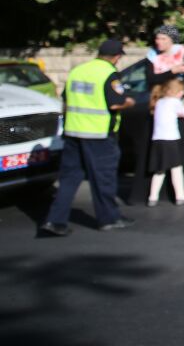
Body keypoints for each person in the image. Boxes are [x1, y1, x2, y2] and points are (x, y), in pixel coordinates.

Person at [40, 40, 137, 235]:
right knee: (103, 178)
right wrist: (129, 102)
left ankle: (55, 221)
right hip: (98, 134)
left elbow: (66, 98)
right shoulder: (109, 73)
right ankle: (109, 218)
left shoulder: (78, 70)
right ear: (117, 57)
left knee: (68, 179)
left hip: (73, 132)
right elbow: (115, 104)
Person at [145, 25, 184, 198]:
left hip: (177, 104)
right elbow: (151, 78)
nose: (159, 42)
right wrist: (174, 71)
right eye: (157, 38)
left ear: (172, 40)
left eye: (163, 39)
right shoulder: (152, 57)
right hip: (160, 105)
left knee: (183, 147)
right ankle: (159, 191)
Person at [146, 77, 184, 207]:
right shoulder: (174, 102)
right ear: (177, 91)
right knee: (176, 168)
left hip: (157, 139)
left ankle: (153, 196)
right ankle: (180, 195)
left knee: (160, 169)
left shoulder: (159, 102)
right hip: (170, 139)